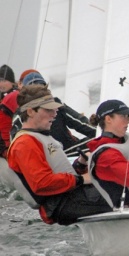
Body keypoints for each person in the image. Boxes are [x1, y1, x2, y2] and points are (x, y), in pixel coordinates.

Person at [7, 84, 112, 225]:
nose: (55, 113)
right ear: (31, 111)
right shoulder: (25, 143)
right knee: (126, 190)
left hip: (71, 197)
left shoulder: (40, 137)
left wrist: (80, 164)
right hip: (62, 204)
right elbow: (42, 183)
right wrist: (81, 179)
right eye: (48, 109)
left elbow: (60, 174)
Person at [11, 71, 96, 155]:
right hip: (49, 155)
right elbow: (18, 149)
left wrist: (101, 133)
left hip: (65, 150)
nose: (54, 114)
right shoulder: (20, 118)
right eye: (47, 110)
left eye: (42, 87)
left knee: (99, 141)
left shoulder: (57, 104)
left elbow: (80, 123)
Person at [0, 64, 19, 158]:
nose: (0, 84)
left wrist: (8, 148)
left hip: (9, 147)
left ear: (12, 82)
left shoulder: (15, 97)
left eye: (3, 80)